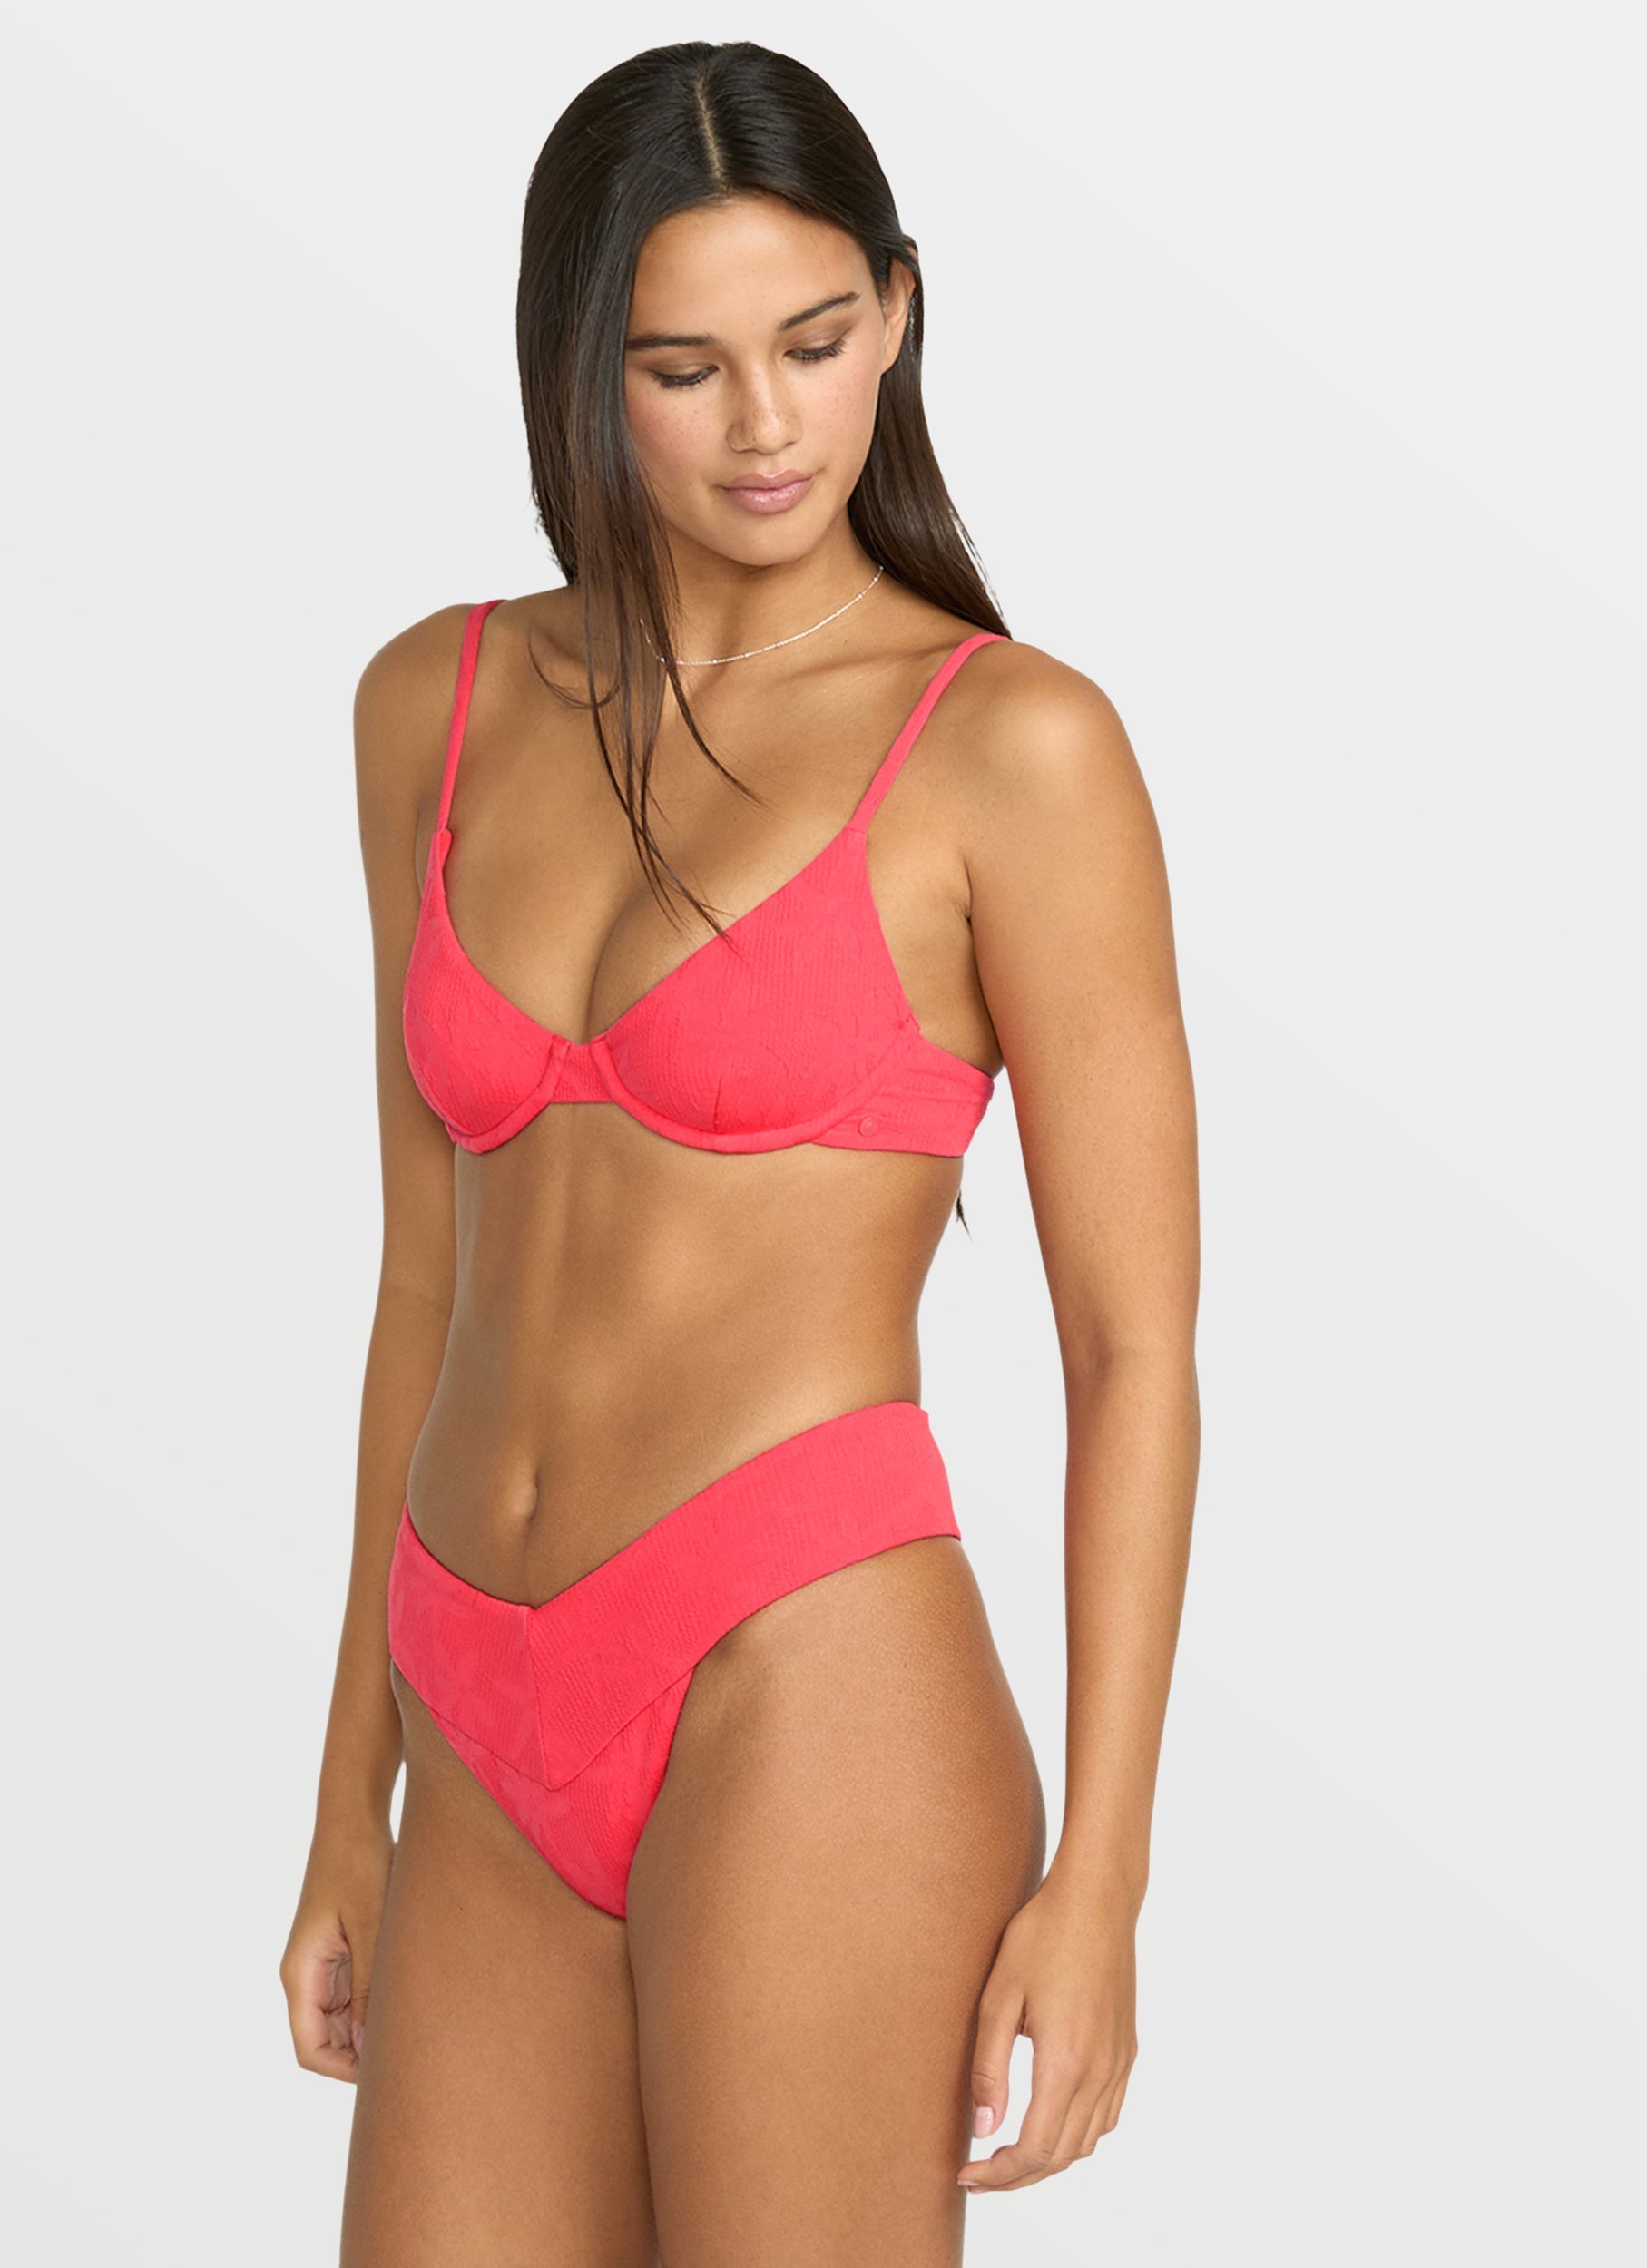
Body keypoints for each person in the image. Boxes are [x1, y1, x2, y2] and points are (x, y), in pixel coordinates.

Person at [281, 38, 1199, 2266]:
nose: (767, 424)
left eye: (814, 340)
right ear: (576, 367)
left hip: (806, 1672)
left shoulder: (1010, 748)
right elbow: (423, 1282)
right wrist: (343, 1800)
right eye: (682, 369)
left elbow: (1130, 1350)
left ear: (898, 310)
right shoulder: (432, 705)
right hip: (466, 1681)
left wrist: (1101, 1879)